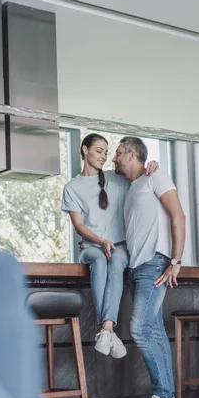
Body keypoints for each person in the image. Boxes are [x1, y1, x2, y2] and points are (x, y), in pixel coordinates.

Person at [61, 133, 158, 359]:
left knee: (115, 260)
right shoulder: (72, 187)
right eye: (98, 151)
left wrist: (153, 165)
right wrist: (101, 241)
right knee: (99, 261)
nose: (104, 156)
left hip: (119, 246)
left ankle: (106, 329)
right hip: (92, 246)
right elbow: (78, 225)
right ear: (85, 150)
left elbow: (139, 172)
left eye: (106, 152)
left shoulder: (116, 179)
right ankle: (107, 329)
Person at [112, 136, 186, 398]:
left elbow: (178, 216)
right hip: (136, 267)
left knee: (140, 329)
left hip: (155, 263)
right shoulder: (132, 187)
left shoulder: (156, 177)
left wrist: (176, 261)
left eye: (118, 153)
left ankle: (164, 397)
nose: (114, 158)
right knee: (152, 331)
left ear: (131, 154)